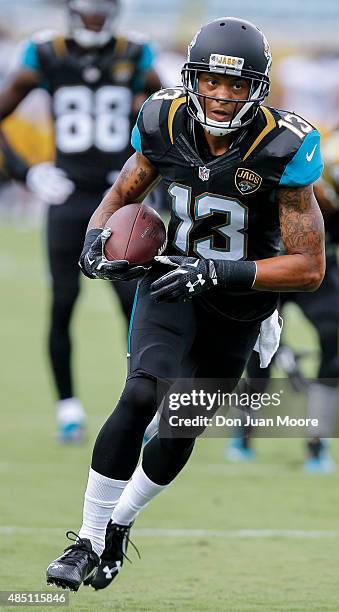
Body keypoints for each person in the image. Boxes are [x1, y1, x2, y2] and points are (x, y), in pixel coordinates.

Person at [45, 17, 325, 591]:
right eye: (212, 83)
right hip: (172, 279)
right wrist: (95, 241)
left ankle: (120, 526)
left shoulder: (284, 146)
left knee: (180, 428)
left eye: (238, 85)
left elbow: (309, 267)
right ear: (192, 79)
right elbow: (124, 192)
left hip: (241, 301)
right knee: (144, 389)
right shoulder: (162, 118)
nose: (222, 97)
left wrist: (221, 271)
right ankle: (88, 540)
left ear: (259, 89)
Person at [0, 0, 161, 441]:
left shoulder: (135, 52)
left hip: (119, 200)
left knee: (133, 307)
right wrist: (27, 171)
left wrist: (148, 178)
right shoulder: (45, 52)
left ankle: (143, 404)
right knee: (63, 301)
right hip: (68, 195)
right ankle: (67, 407)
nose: (95, 17)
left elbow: (169, 122)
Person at [226, 129, 339, 470]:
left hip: (318, 270)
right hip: (270, 267)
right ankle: (242, 432)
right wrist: (280, 343)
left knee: (331, 334)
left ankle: (318, 444)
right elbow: (253, 268)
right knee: (261, 355)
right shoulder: (290, 192)